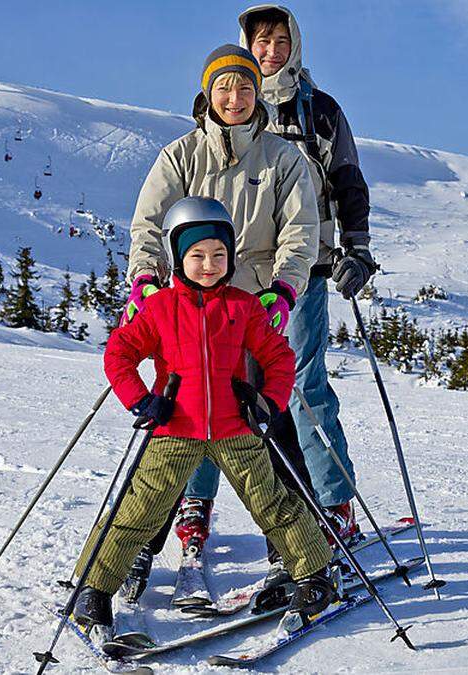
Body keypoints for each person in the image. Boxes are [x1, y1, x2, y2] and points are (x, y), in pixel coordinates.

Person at [72, 196, 333, 629]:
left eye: (218, 255)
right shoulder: (159, 309)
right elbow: (118, 353)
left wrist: (269, 402)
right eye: (197, 255)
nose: (208, 264)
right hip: (175, 428)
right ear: (178, 257)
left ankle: (314, 573)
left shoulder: (243, 306)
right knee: (138, 511)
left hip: (235, 427)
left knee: (274, 503)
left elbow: (279, 358)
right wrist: (141, 400)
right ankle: (93, 588)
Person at [119, 44, 321, 596]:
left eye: (246, 87)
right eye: (225, 88)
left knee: (270, 421)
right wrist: (144, 280)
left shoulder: (284, 158)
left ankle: (296, 545)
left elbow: (301, 233)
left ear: (260, 94)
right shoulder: (180, 156)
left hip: (252, 306)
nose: (236, 98)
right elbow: (148, 225)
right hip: (185, 311)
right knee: (171, 425)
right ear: (208, 93)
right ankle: (137, 545)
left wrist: (283, 290)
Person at [238, 3, 376, 545]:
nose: (270, 51)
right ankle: (209, 512)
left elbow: (347, 181)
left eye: (279, 40)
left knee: (300, 385)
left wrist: (357, 249)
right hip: (237, 273)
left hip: (304, 269)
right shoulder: (231, 104)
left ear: (295, 43)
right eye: (261, 41)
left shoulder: (319, 111)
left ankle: (333, 505)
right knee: (228, 390)